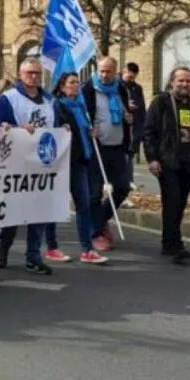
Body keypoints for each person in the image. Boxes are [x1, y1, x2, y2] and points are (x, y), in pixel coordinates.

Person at [0, 58, 56, 273]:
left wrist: (63, 129)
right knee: (13, 213)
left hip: (41, 164)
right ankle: (4, 248)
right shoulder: (8, 99)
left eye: (37, 73)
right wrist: (18, 127)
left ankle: (33, 256)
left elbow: (53, 126)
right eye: (30, 73)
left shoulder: (49, 100)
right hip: (16, 164)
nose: (34, 77)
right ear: (21, 74)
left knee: (38, 212)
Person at [144, 67, 190, 265]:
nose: (184, 84)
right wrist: (152, 158)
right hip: (167, 161)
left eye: (188, 81)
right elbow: (149, 132)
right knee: (171, 201)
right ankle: (175, 245)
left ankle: (169, 241)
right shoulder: (161, 102)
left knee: (179, 204)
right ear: (172, 82)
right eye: (180, 80)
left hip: (188, 162)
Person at [52, 71, 107, 264]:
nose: (76, 85)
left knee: (83, 205)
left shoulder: (81, 106)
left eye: (77, 82)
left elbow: (83, 129)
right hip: (64, 162)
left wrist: (90, 132)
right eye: (72, 82)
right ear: (62, 86)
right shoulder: (57, 106)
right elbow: (53, 130)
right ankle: (51, 247)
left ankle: (87, 249)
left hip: (81, 161)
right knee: (56, 206)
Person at [83, 56, 133, 251]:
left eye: (109, 71)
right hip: (97, 148)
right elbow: (81, 115)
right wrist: (88, 130)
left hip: (117, 147)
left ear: (115, 71)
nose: (104, 75)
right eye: (101, 71)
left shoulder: (120, 89)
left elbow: (124, 113)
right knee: (94, 194)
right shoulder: (88, 90)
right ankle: (96, 233)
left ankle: (100, 221)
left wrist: (128, 117)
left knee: (122, 188)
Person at [123, 62, 146, 165]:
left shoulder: (137, 88)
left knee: (129, 159)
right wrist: (126, 105)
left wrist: (142, 130)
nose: (131, 79)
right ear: (124, 72)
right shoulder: (117, 86)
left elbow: (142, 109)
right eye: (129, 76)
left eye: (133, 77)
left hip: (135, 129)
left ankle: (129, 180)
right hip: (122, 129)